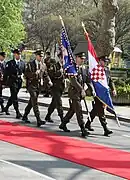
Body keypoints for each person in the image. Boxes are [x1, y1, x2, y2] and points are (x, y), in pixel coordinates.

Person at [59, 52, 89, 137]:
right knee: (79, 110)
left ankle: (63, 123)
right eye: (81, 58)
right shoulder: (72, 68)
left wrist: (89, 89)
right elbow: (73, 81)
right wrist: (81, 89)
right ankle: (83, 129)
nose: (82, 60)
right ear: (76, 58)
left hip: (80, 93)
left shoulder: (83, 68)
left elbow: (85, 80)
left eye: (83, 59)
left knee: (72, 110)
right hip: (74, 93)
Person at [85, 56, 116, 136]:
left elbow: (110, 81)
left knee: (96, 109)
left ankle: (87, 124)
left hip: (104, 94)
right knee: (100, 109)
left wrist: (113, 89)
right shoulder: (95, 70)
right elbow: (90, 81)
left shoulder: (107, 70)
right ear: (99, 61)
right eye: (103, 61)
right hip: (97, 94)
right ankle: (105, 128)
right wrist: (93, 90)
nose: (105, 63)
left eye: (106, 62)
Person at [22, 50, 52, 127]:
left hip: (38, 86)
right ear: (36, 56)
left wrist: (49, 81)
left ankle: (25, 115)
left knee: (31, 102)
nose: (41, 58)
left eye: (42, 56)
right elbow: (26, 74)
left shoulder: (43, 65)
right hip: (31, 85)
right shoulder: (30, 64)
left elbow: (45, 75)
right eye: (40, 56)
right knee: (34, 101)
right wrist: (35, 73)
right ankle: (38, 119)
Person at [3, 49, 25, 118]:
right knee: (14, 96)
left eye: (20, 54)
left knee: (13, 96)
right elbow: (6, 74)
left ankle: (6, 107)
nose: (19, 55)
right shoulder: (10, 63)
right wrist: (4, 83)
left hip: (19, 81)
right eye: (17, 54)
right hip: (12, 81)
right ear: (15, 55)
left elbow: (24, 72)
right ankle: (17, 112)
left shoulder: (22, 63)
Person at [45, 57, 64, 123]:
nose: (63, 59)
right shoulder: (55, 66)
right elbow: (49, 75)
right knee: (59, 102)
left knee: (54, 103)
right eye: (62, 57)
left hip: (62, 87)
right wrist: (60, 72)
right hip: (55, 87)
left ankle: (48, 115)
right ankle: (62, 120)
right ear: (60, 58)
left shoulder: (67, 66)